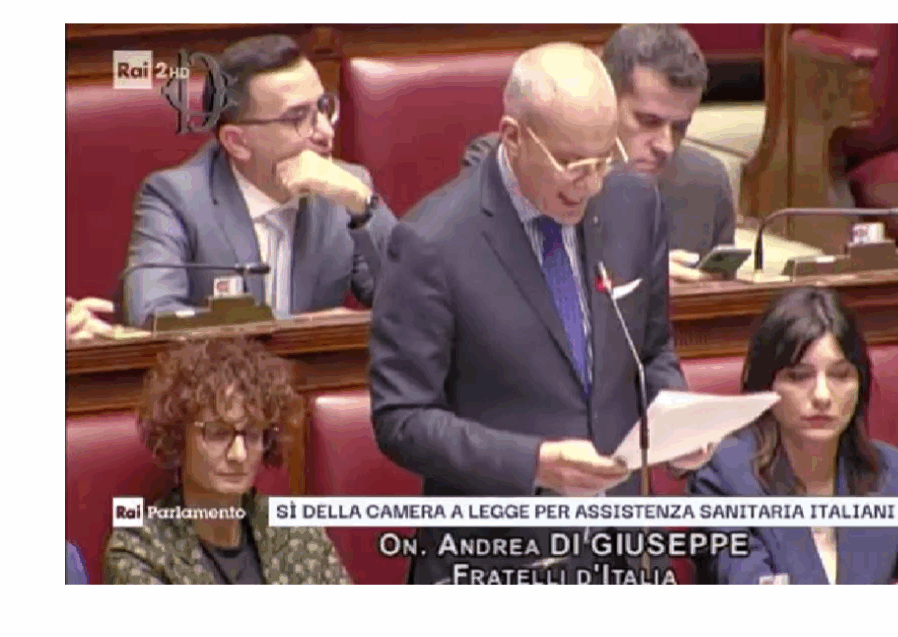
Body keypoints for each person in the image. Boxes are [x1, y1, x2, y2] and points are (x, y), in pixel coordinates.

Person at [370, 42, 716, 584]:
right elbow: (402, 419)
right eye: (573, 163)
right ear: (513, 136)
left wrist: (677, 422)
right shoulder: (432, 242)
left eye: (604, 159)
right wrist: (533, 462)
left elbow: (650, 351)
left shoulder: (634, 205)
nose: (592, 183)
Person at [689, 287, 898, 584]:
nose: (822, 396)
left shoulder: (889, 472)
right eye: (799, 376)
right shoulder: (724, 477)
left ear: (860, 385)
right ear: (766, 387)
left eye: (840, 375)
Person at [119, 34, 395, 328]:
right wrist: (302, 325)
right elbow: (152, 315)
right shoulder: (177, 198)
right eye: (297, 118)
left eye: (324, 107)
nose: (326, 131)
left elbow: (415, 299)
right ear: (237, 142)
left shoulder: (344, 190)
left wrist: (363, 204)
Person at [462, 24, 735, 284]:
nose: (666, 146)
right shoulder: (512, 160)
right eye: (648, 121)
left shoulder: (705, 184)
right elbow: (484, 279)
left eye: (680, 127)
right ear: (605, 100)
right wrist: (637, 279)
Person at [104, 337, 350, 584]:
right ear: (178, 437)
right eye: (218, 433)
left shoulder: (299, 533)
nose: (238, 454)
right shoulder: (140, 550)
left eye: (252, 433)